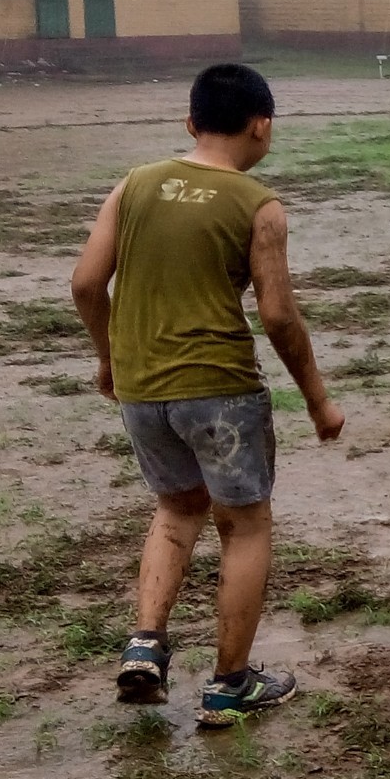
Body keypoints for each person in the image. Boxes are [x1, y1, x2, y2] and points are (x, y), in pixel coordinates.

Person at [70, 63, 344, 728]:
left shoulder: (134, 184)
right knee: (244, 525)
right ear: (263, 126)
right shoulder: (258, 205)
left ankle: (145, 647)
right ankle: (229, 686)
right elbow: (278, 315)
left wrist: (109, 358)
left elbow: (85, 283)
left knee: (176, 509)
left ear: (190, 123)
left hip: (143, 390)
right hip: (220, 390)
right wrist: (317, 400)